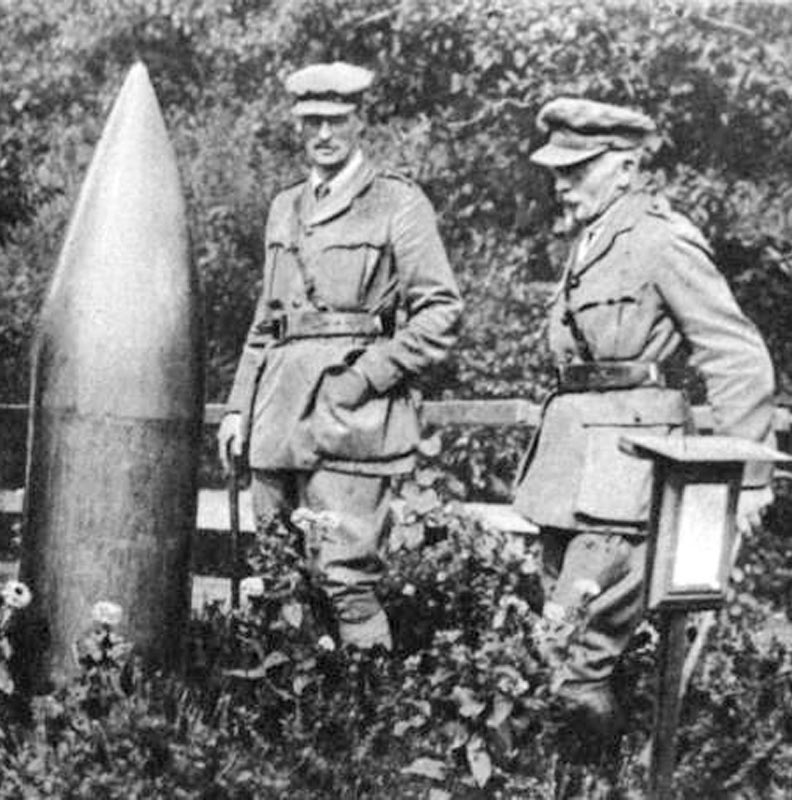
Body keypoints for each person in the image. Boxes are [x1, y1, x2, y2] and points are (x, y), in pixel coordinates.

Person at [514, 97, 776, 740]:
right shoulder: (591, 241)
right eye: (558, 170)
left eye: (577, 170)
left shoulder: (660, 240)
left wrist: (748, 478)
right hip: (570, 472)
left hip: (624, 478)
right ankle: (583, 773)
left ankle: (597, 775)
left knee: (575, 655)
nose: (561, 183)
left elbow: (737, 355)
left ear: (626, 167)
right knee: (558, 642)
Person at [217, 62, 462, 651]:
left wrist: (364, 378)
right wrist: (238, 408)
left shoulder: (397, 202)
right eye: (311, 122)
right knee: (278, 573)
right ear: (297, 127)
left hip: (350, 416)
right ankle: (294, 701)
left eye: (337, 120)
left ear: (360, 122)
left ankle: (366, 700)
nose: (323, 134)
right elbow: (266, 320)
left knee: (345, 578)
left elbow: (441, 311)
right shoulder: (285, 206)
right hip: (277, 413)